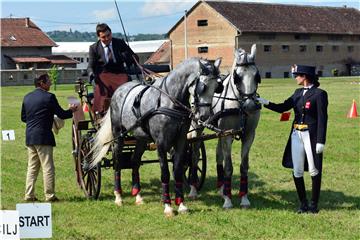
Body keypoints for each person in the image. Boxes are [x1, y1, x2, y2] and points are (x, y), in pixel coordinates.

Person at [257, 65, 328, 214]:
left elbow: (322, 119)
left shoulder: (319, 94)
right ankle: (303, 203)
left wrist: (321, 140)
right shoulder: (297, 93)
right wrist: (264, 102)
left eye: (297, 75)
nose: (295, 78)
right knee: (297, 170)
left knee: (315, 170)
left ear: (305, 76)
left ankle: (314, 205)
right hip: (297, 134)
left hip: (311, 135)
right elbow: (283, 107)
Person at [21, 74, 78, 202]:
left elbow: (23, 118)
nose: (51, 84)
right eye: (49, 81)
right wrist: (72, 110)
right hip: (43, 137)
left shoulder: (27, 97)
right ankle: (50, 196)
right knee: (48, 168)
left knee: (32, 168)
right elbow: (62, 114)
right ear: (42, 83)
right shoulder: (49, 97)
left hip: (30, 137)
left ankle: (29, 195)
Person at [87, 23, 139, 116]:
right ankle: (100, 111)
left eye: (108, 35)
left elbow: (134, 58)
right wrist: (91, 73)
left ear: (111, 33)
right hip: (103, 74)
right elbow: (90, 65)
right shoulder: (94, 48)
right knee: (101, 83)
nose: (107, 39)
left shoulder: (120, 43)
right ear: (99, 37)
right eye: (103, 37)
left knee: (127, 82)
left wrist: (128, 56)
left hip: (119, 73)